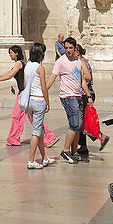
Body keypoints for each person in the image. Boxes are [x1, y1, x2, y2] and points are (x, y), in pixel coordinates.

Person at [0, 44, 57, 148]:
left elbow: (10, 75)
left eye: (11, 53)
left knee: (18, 116)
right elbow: (9, 72)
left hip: (23, 94)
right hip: (24, 94)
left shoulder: (19, 64)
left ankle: (15, 139)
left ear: (16, 54)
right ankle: (48, 137)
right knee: (31, 118)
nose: (10, 55)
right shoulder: (19, 63)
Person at [46, 36, 90, 164]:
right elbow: (52, 77)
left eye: (70, 48)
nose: (68, 50)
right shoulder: (60, 61)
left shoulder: (78, 61)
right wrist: (43, 91)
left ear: (75, 48)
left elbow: (81, 80)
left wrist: (88, 95)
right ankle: (65, 151)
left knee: (79, 125)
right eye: (66, 48)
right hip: (67, 96)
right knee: (75, 124)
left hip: (77, 95)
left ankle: (73, 151)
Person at [21, 43, 56, 169]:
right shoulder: (40, 68)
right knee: (36, 132)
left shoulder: (27, 66)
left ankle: (44, 158)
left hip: (29, 101)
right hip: (39, 100)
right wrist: (47, 102)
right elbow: (44, 87)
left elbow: (25, 85)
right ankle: (31, 160)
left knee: (40, 130)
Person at [76, 44, 109, 156]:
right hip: (85, 94)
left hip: (85, 94)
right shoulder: (82, 61)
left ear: (77, 52)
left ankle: (101, 136)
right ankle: (83, 146)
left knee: (83, 122)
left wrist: (76, 77)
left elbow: (88, 77)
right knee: (83, 122)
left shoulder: (81, 62)